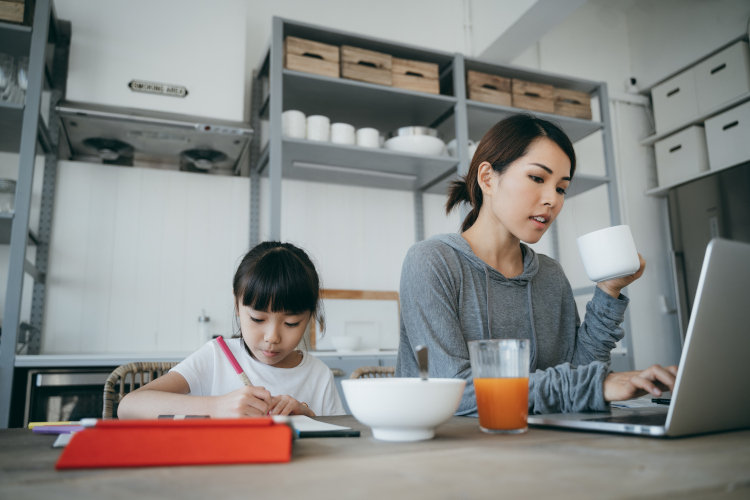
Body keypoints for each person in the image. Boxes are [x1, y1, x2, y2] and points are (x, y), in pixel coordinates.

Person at [395, 113, 677, 415]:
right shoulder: (431, 262)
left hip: (538, 442)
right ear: (488, 178)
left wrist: (608, 290)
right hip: (450, 450)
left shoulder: (550, 274)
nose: (552, 199)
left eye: (561, 188)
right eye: (537, 178)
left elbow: (580, 371)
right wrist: (594, 385)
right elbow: (455, 392)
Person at [118, 242, 345, 419]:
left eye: (291, 323)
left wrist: (308, 418)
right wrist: (217, 406)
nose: (272, 337)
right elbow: (128, 407)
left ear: (310, 316)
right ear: (237, 305)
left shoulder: (319, 375)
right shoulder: (217, 356)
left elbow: (342, 442)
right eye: (257, 318)